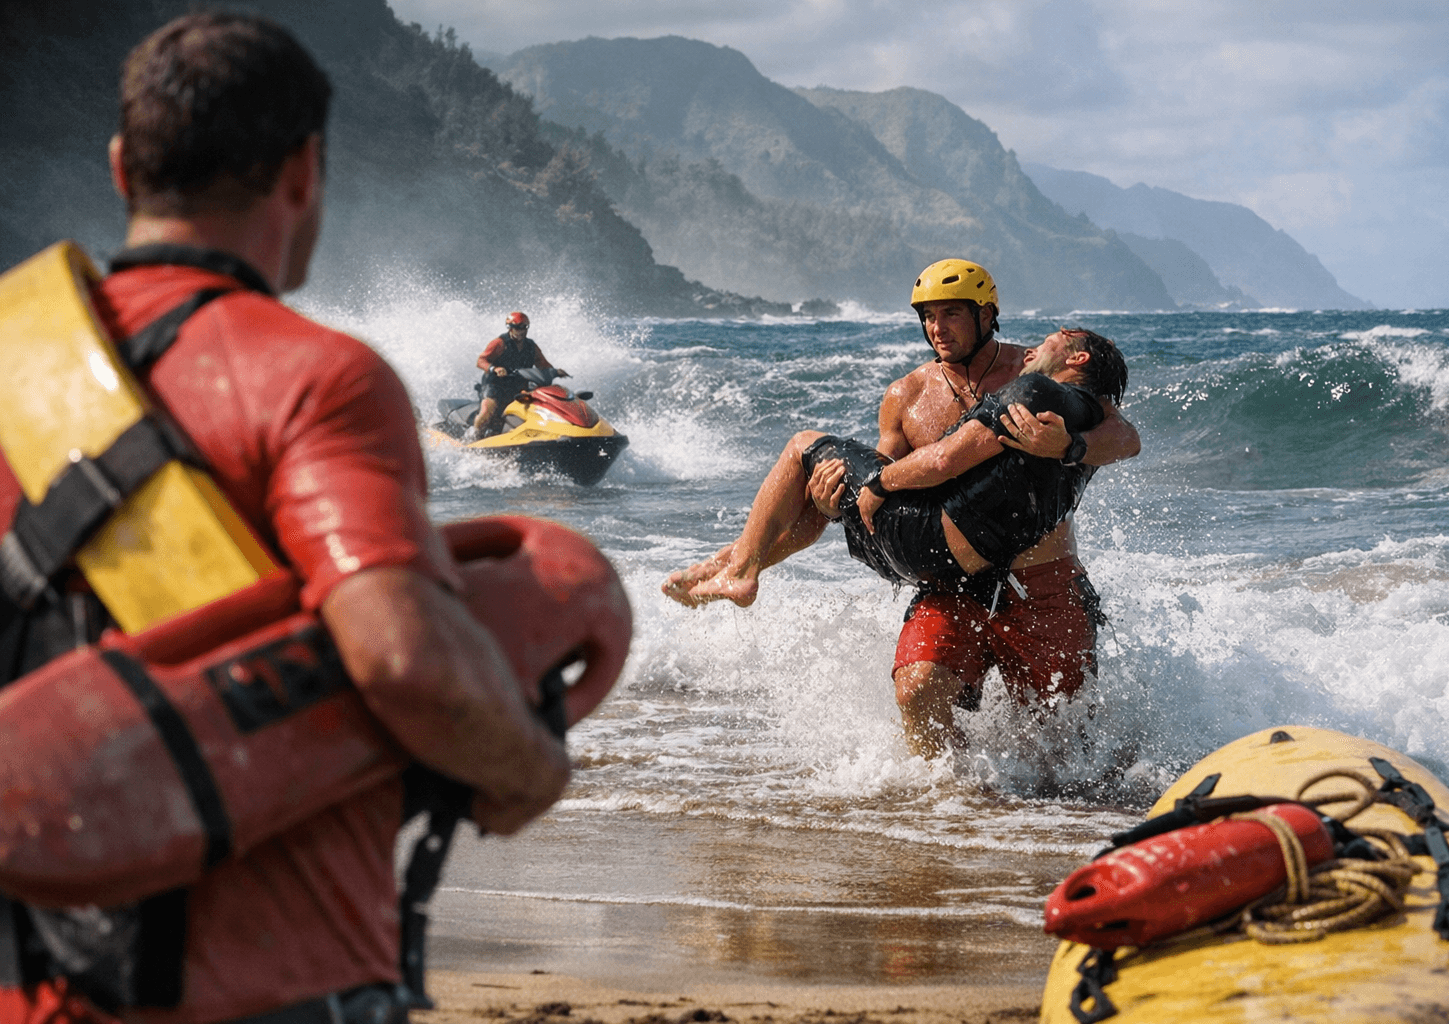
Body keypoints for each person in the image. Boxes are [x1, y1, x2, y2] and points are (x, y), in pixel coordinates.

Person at [0, 12, 568, 1023]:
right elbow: (402, 659)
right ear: (305, 171)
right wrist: (524, 766)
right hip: (278, 978)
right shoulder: (318, 378)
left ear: (123, 168)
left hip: (33, 974)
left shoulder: (10, 361)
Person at [666, 259, 1139, 756]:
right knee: (918, 692)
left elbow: (1125, 437)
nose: (938, 328)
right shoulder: (906, 395)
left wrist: (1068, 447)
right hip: (951, 579)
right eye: (929, 316)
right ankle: (955, 805)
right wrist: (831, 507)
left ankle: (733, 564)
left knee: (1069, 736)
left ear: (987, 314)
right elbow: (882, 494)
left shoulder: (1033, 370)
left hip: (1042, 579)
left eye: (952, 313)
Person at [472, 310, 567, 438]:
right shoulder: (499, 343)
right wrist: (494, 369)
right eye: (517, 328)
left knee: (535, 403)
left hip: (517, 386)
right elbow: (481, 361)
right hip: (495, 384)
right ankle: (474, 437)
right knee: (488, 409)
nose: (521, 331)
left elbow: (543, 364)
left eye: (524, 327)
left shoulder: (531, 346)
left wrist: (555, 372)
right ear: (510, 328)